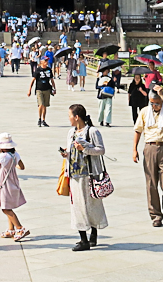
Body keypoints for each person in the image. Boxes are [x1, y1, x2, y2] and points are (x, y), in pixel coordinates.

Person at [60, 104, 107, 251]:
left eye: (69, 116)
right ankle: (84, 238)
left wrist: (85, 149)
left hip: (89, 175)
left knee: (92, 205)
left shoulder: (92, 132)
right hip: (75, 175)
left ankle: (91, 235)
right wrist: (65, 154)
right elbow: (71, 150)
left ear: (76, 117)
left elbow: (101, 150)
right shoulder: (71, 132)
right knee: (78, 206)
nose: (68, 119)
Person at [133, 89, 163, 227]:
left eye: (157, 104)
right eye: (153, 103)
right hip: (150, 147)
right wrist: (134, 149)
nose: (155, 106)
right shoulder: (145, 112)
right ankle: (156, 216)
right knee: (151, 184)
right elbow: (138, 130)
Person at [0, 132, 29, 241]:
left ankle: (19, 227)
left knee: (5, 208)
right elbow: (22, 167)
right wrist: (14, 165)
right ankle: (11, 229)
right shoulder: (15, 154)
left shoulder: (3, 156)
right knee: (9, 206)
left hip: (5, 184)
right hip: (14, 182)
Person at [28, 56, 56, 127]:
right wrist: (29, 90)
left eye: (47, 61)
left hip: (47, 89)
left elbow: (52, 80)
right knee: (41, 104)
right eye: (45, 61)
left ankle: (44, 120)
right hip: (39, 89)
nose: (46, 62)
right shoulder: (38, 70)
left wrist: (54, 88)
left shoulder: (49, 70)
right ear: (41, 62)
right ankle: (39, 119)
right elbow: (33, 80)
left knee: (45, 105)